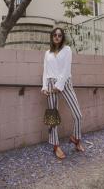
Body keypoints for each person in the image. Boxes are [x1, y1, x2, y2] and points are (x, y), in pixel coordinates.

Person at [41, 27, 85, 159]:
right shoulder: (47, 53)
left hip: (64, 82)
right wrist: (44, 87)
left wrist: (58, 86)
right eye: (54, 35)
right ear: (51, 37)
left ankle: (76, 138)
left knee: (78, 115)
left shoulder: (67, 50)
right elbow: (45, 71)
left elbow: (67, 69)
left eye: (59, 35)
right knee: (53, 117)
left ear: (62, 37)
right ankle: (55, 145)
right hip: (50, 83)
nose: (57, 37)